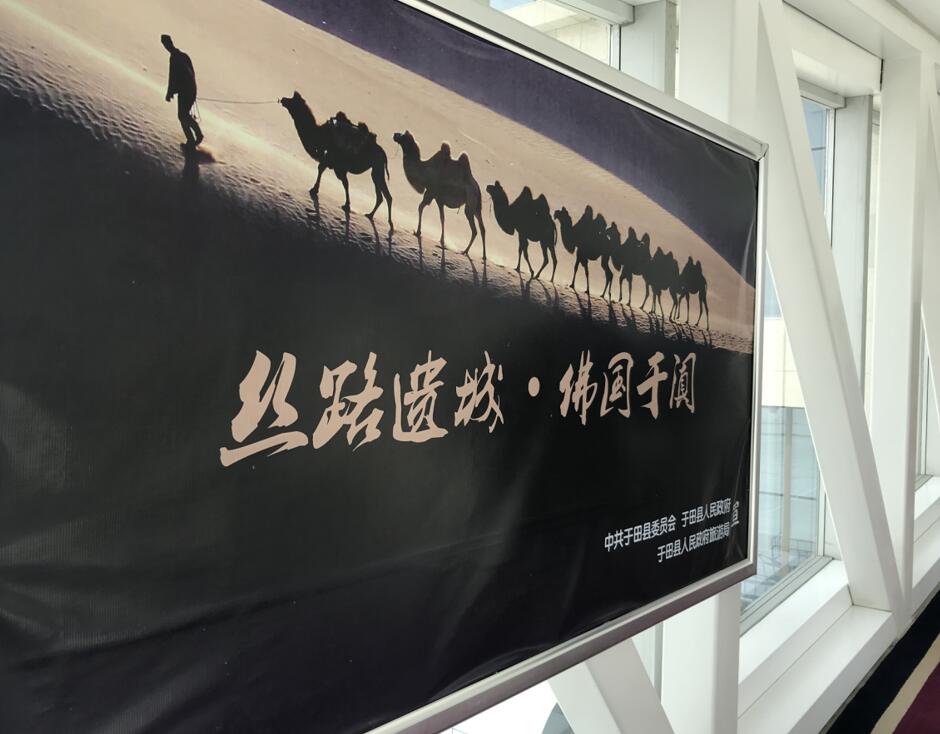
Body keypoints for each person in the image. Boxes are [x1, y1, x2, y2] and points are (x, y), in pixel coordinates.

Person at [161, 34, 203, 148]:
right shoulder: (184, 55)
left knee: (182, 115)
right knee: (184, 115)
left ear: (168, 44)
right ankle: (196, 136)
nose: (165, 46)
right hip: (190, 89)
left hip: (185, 91)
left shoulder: (174, 58)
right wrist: (192, 88)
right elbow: (191, 73)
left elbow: (173, 77)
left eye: (165, 44)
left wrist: (170, 93)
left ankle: (193, 139)